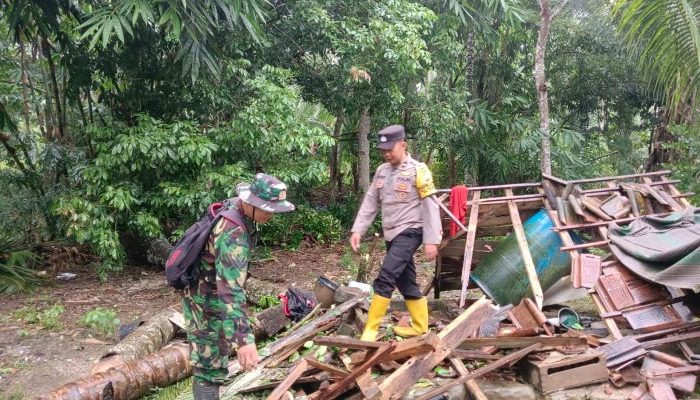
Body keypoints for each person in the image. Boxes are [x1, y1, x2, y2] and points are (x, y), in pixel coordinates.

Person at [182, 173, 295, 400]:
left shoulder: (235, 207)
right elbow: (230, 290)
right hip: (206, 302)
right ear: (251, 202)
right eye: (267, 208)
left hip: (208, 294)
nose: (271, 214)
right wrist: (243, 340)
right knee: (208, 367)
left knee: (210, 362)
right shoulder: (233, 232)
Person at [350, 124, 442, 341]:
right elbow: (371, 202)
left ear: (403, 145)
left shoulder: (418, 170)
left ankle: (371, 330)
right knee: (404, 279)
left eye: (390, 149)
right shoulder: (382, 171)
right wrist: (358, 230)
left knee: (386, 276)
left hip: (411, 230)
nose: (386, 153)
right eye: (383, 150)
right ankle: (420, 326)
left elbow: (431, 205)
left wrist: (432, 240)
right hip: (391, 234)